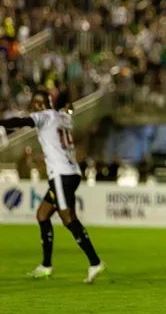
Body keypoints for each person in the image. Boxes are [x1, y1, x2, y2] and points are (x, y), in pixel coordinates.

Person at [0, 91, 105, 283]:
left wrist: (3, 122)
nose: (31, 107)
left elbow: (22, 122)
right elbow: (69, 112)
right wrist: (68, 107)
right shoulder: (63, 117)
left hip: (61, 174)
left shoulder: (44, 117)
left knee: (68, 218)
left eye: (34, 104)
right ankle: (46, 265)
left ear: (40, 105)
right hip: (70, 173)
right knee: (42, 215)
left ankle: (95, 261)